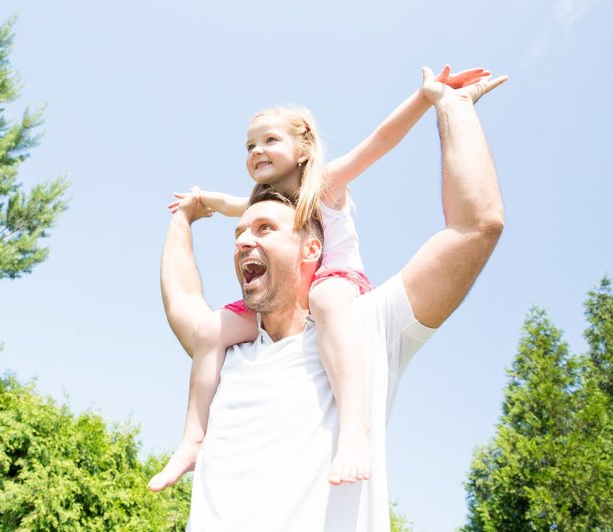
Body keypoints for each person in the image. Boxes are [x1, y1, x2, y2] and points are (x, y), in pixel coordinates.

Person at [160, 66, 507, 530]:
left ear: (311, 246)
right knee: (211, 326)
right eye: (240, 234)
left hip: (338, 288)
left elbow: (468, 221)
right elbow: (183, 296)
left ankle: (355, 430)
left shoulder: (362, 328)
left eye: (265, 229)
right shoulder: (231, 353)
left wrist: (441, 101)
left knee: (326, 301)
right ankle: (191, 438)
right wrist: (184, 216)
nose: (243, 240)